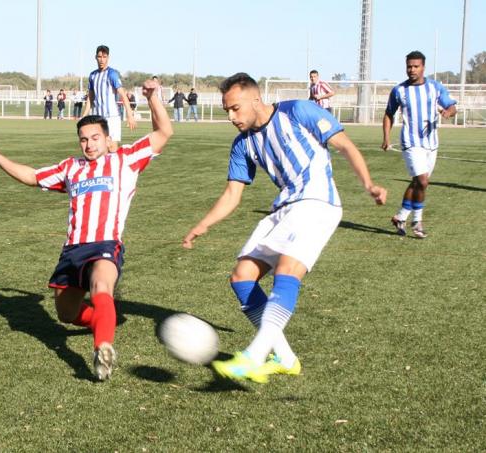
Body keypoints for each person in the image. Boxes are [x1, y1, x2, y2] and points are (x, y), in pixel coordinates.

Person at [183, 73, 386, 384]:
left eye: (235, 108)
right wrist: (203, 224)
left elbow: (344, 145)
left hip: (318, 203)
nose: (231, 117)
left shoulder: (299, 112)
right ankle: (285, 358)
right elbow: (232, 194)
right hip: (285, 208)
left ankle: (254, 355)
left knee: (287, 270)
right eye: (227, 111)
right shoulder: (243, 144)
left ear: (255, 99)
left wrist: (369, 184)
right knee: (241, 278)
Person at [0, 79, 172, 381]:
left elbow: (163, 133)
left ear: (108, 140)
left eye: (95, 138)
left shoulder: (126, 161)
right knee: (66, 314)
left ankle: (102, 348)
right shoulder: (71, 168)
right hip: (72, 249)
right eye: (83, 139)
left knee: (101, 288)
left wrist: (153, 98)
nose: (89, 144)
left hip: (105, 244)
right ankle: (106, 320)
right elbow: (31, 176)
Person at [382, 50, 457, 239]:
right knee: (423, 181)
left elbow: (451, 106)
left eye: (416, 66)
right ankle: (417, 221)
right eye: (409, 66)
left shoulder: (435, 87)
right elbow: (389, 113)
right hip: (410, 142)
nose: (412, 70)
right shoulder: (399, 90)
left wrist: (448, 112)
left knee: (417, 182)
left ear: (423, 67)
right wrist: (386, 137)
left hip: (431, 143)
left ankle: (400, 216)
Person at [82, 45, 136, 149]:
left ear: (108, 58)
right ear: (95, 57)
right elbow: (90, 98)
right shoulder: (92, 75)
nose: (102, 60)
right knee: (97, 149)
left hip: (111, 117)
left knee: (112, 149)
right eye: (99, 57)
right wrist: (84, 115)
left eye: (104, 57)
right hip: (97, 118)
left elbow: (123, 95)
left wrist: (130, 115)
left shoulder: (112, 74)